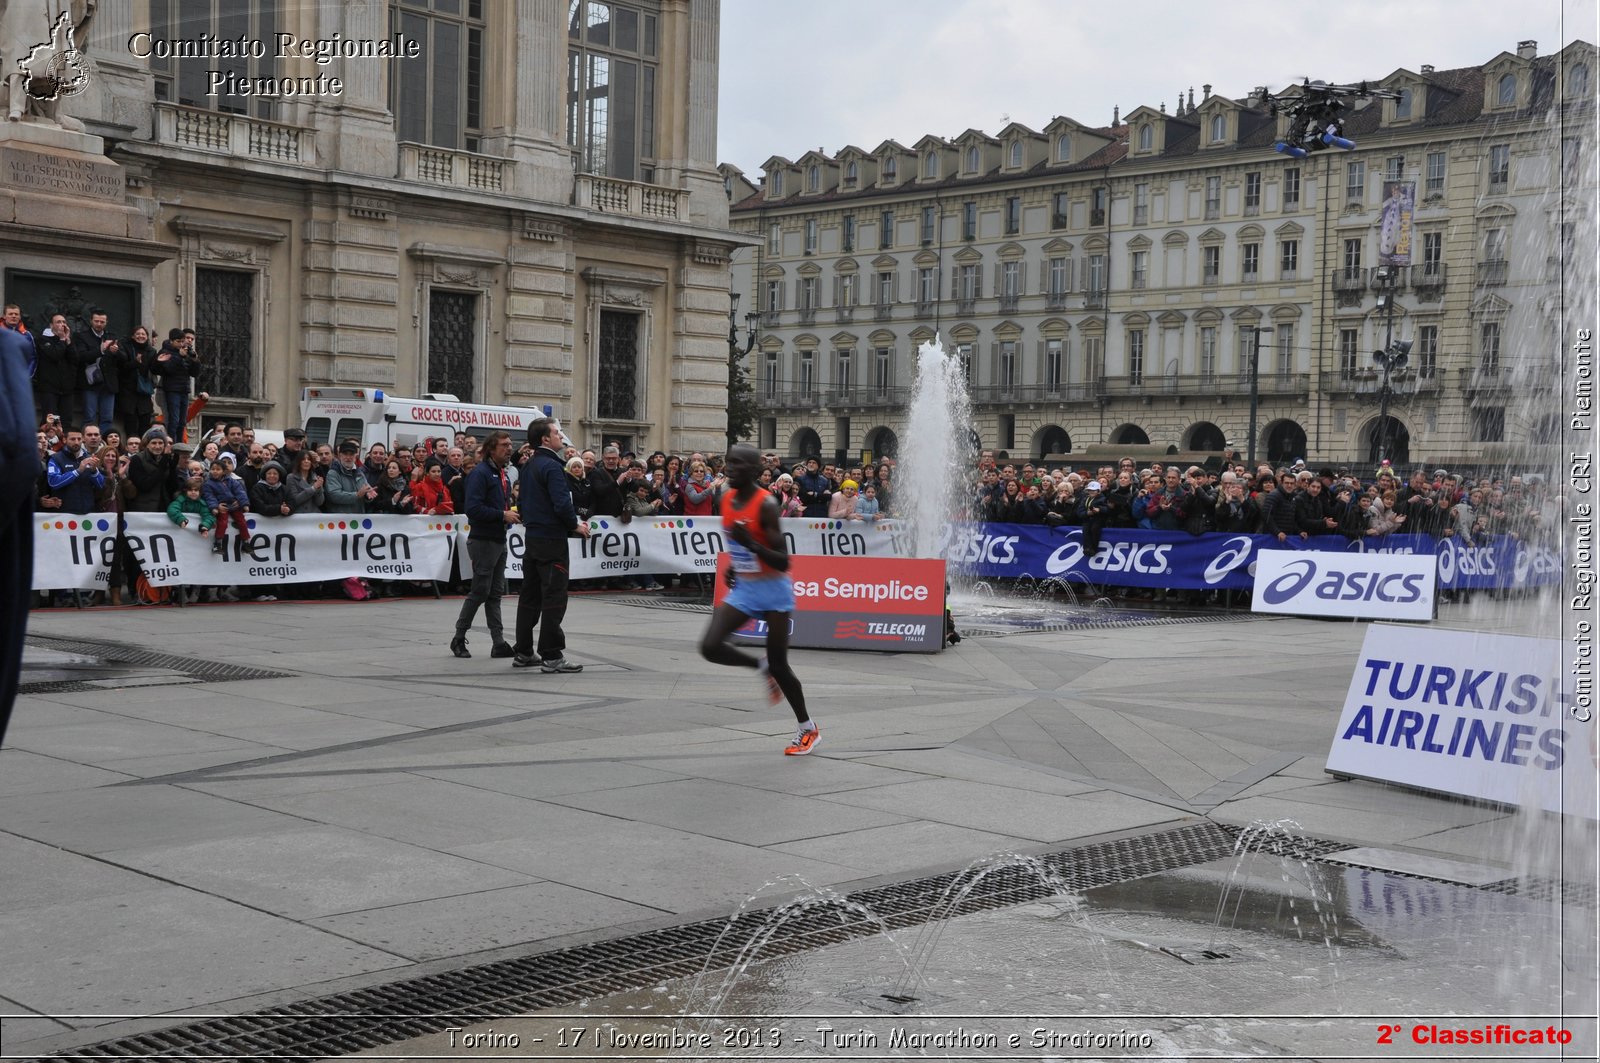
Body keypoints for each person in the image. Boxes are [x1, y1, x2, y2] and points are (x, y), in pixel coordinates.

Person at [698, 445, 816, 756]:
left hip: (774, 589)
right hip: (746, 587)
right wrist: (736, 565)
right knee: (710, 647)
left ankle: (808, 728)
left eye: (737, 464)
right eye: (728, 463)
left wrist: (750, 543)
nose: (729, 468)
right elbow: (739, 547)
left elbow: (782, 561)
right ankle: (760, 667)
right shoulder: (724, 498)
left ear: (754, 470)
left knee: (781, 664)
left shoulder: (766, 505)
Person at [511, 417, 590, 672]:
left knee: (530, 595)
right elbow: (561, 503)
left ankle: (523, 651)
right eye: (557, 432)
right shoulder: (553, 467)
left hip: (533, 537)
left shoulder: (529, 465)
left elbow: (522, 501)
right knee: (554, 595)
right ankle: (552, 655)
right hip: (552, 539)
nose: (561, 436)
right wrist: (574, 525)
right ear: (545, 439)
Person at [453, 430, 518, 659]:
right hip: (483, 540)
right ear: (491, 448)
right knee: (480, 591)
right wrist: (502, 515)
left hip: (499, 539)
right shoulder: (480, 473)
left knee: (495, 593)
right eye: (504, 445)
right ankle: (459, 637)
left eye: (510, 444)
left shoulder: (502, 474)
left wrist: (508, 514)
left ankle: (498, 642)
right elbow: (472, 509)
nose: (509, 448)